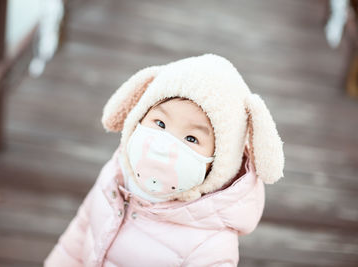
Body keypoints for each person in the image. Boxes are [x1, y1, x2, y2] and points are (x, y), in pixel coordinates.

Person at [44, 54, 285, 266]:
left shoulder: (210, 247)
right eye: (160, 124)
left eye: (191, 138)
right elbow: (80, 233)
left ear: (219, 163)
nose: (165, 146)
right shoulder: (115, 173)